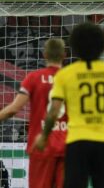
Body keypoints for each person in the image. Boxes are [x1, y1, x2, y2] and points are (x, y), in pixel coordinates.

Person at [33, 23, 104, 188]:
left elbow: (53, 111)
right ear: (102, 46)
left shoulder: (65, 74)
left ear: (74, 47)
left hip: (77, 143)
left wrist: (44, 136)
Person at [0, 38, 66, 188]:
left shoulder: (34, 78)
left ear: (45, 55)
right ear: (64, 55)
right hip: (66, 146)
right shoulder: (72, 80)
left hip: (40, 145)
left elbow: (13, 109)